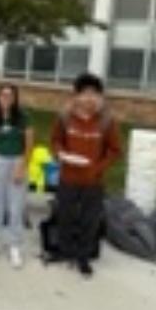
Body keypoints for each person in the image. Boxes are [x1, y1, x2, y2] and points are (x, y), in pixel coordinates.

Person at [52, 72, 123, 279]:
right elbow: (56, 141)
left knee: (89, 220)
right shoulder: (65, 117)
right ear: (76, 96)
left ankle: (83, 256)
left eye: (94, 94)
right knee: (64, 215)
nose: (89, 98)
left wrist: (98, 168)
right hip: (68, 177)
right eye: (84, 93)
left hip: (93, 181)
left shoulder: (107, 121)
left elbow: (115, 151)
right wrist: (60, 154)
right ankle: (64, 250)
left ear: (100, 98)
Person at [0, 84, 34, 270]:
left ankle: (14, 245)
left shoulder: (23, 117)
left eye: (10, 95)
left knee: (15, 207)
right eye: (3, 95)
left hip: (17, 161)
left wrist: (22, 167)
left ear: (15, 98)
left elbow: (29, 145)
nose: (6, 98)